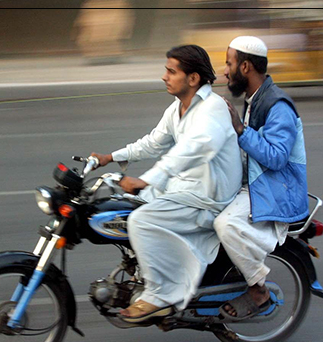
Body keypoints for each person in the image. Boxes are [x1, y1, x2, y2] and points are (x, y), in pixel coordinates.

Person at [90, 45, 242, 323]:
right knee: (124, 208)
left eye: (172, 71)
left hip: (208, 198)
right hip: (185, 188)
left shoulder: (213, 109)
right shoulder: (178, 109)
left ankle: (161, 296)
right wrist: (110, 157)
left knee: (141, 221)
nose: (164, 77)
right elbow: (153, 143)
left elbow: (190, 151)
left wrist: (146, 180)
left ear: (193, 78)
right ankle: (144, 273)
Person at [213, 36, 309, 320]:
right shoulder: (255, 99)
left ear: (245, 66)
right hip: (257, 182)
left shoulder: (278, 105)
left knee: (225, 224)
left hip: (277, 189)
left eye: (229, 63)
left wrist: (241, 130)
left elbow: (277, 157)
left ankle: (258, 290)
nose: (225, 70)